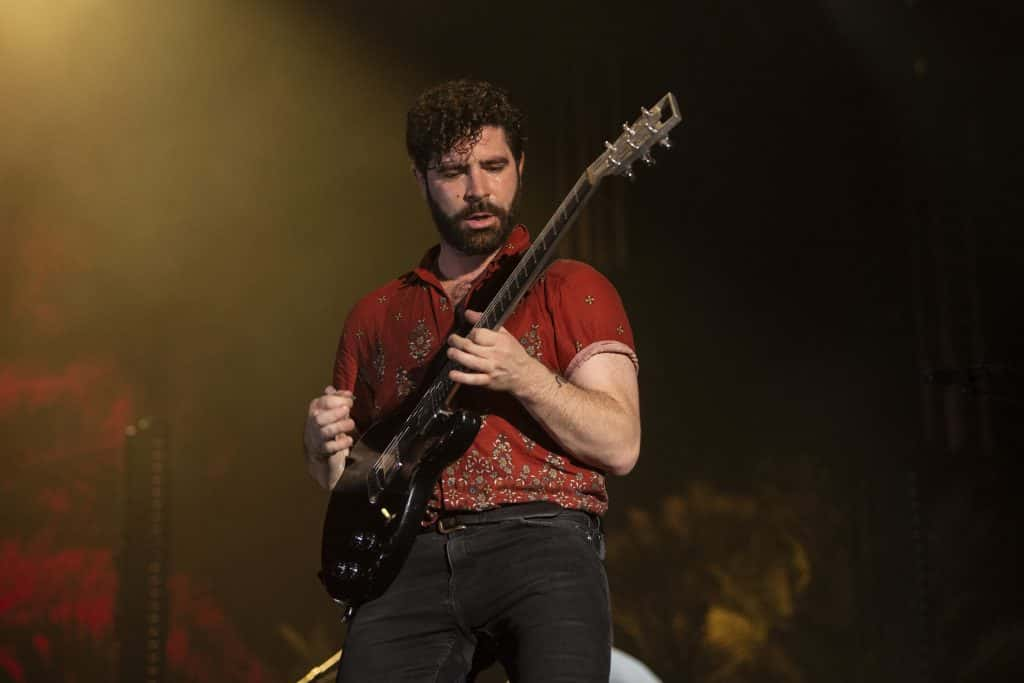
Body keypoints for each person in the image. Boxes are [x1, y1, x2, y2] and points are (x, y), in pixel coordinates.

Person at [302, 79, 641, 682]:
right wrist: (319, 449)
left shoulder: (571, 286)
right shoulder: (374, 315)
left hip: (545, 540)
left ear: (520, 168)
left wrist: (524, 375)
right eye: (455, 172)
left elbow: (620, 444)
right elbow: (349, 483)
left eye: (494, 166)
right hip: (410, 561)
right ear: (420, 178)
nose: (479, 189)